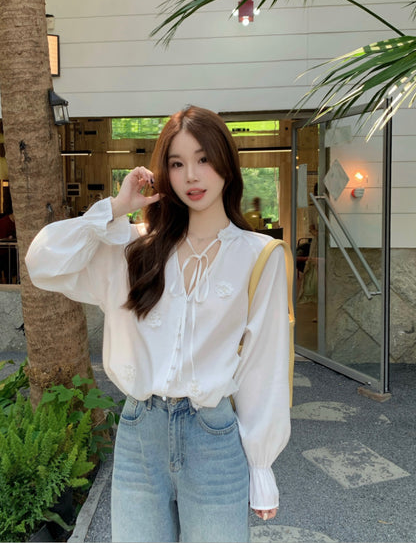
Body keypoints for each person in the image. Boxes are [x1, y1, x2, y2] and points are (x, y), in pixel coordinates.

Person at [25, 106, 291, 543]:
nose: (192, 176)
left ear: (226, 163)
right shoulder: (133, 248)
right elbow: (42, 263)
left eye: (204, 159)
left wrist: (262, 466)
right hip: (139, 434)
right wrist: (116, 208)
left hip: (213, 437)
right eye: (177, 163)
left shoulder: (258, 254)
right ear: (164, 173)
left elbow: (265, 364)